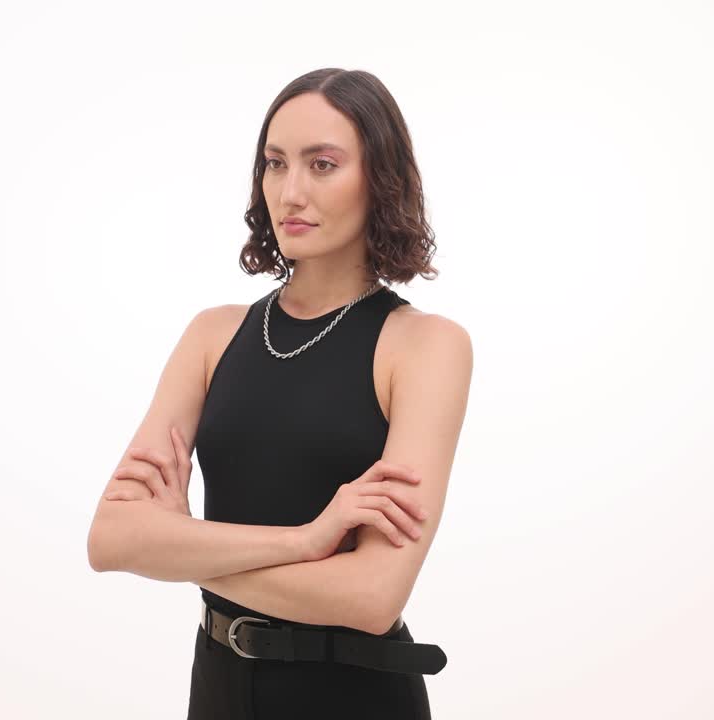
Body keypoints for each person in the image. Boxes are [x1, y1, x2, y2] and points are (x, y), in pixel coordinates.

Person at [86, 68, 473, 720]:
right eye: (274, 164)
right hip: (219, 686)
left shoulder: (425, 346)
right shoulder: (212, 335)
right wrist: (305, 541)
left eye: (322, 165)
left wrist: (176, 546)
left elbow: (373, 596)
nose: (290, 191)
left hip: (353, 695)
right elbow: (110, 539)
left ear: (379, 179)